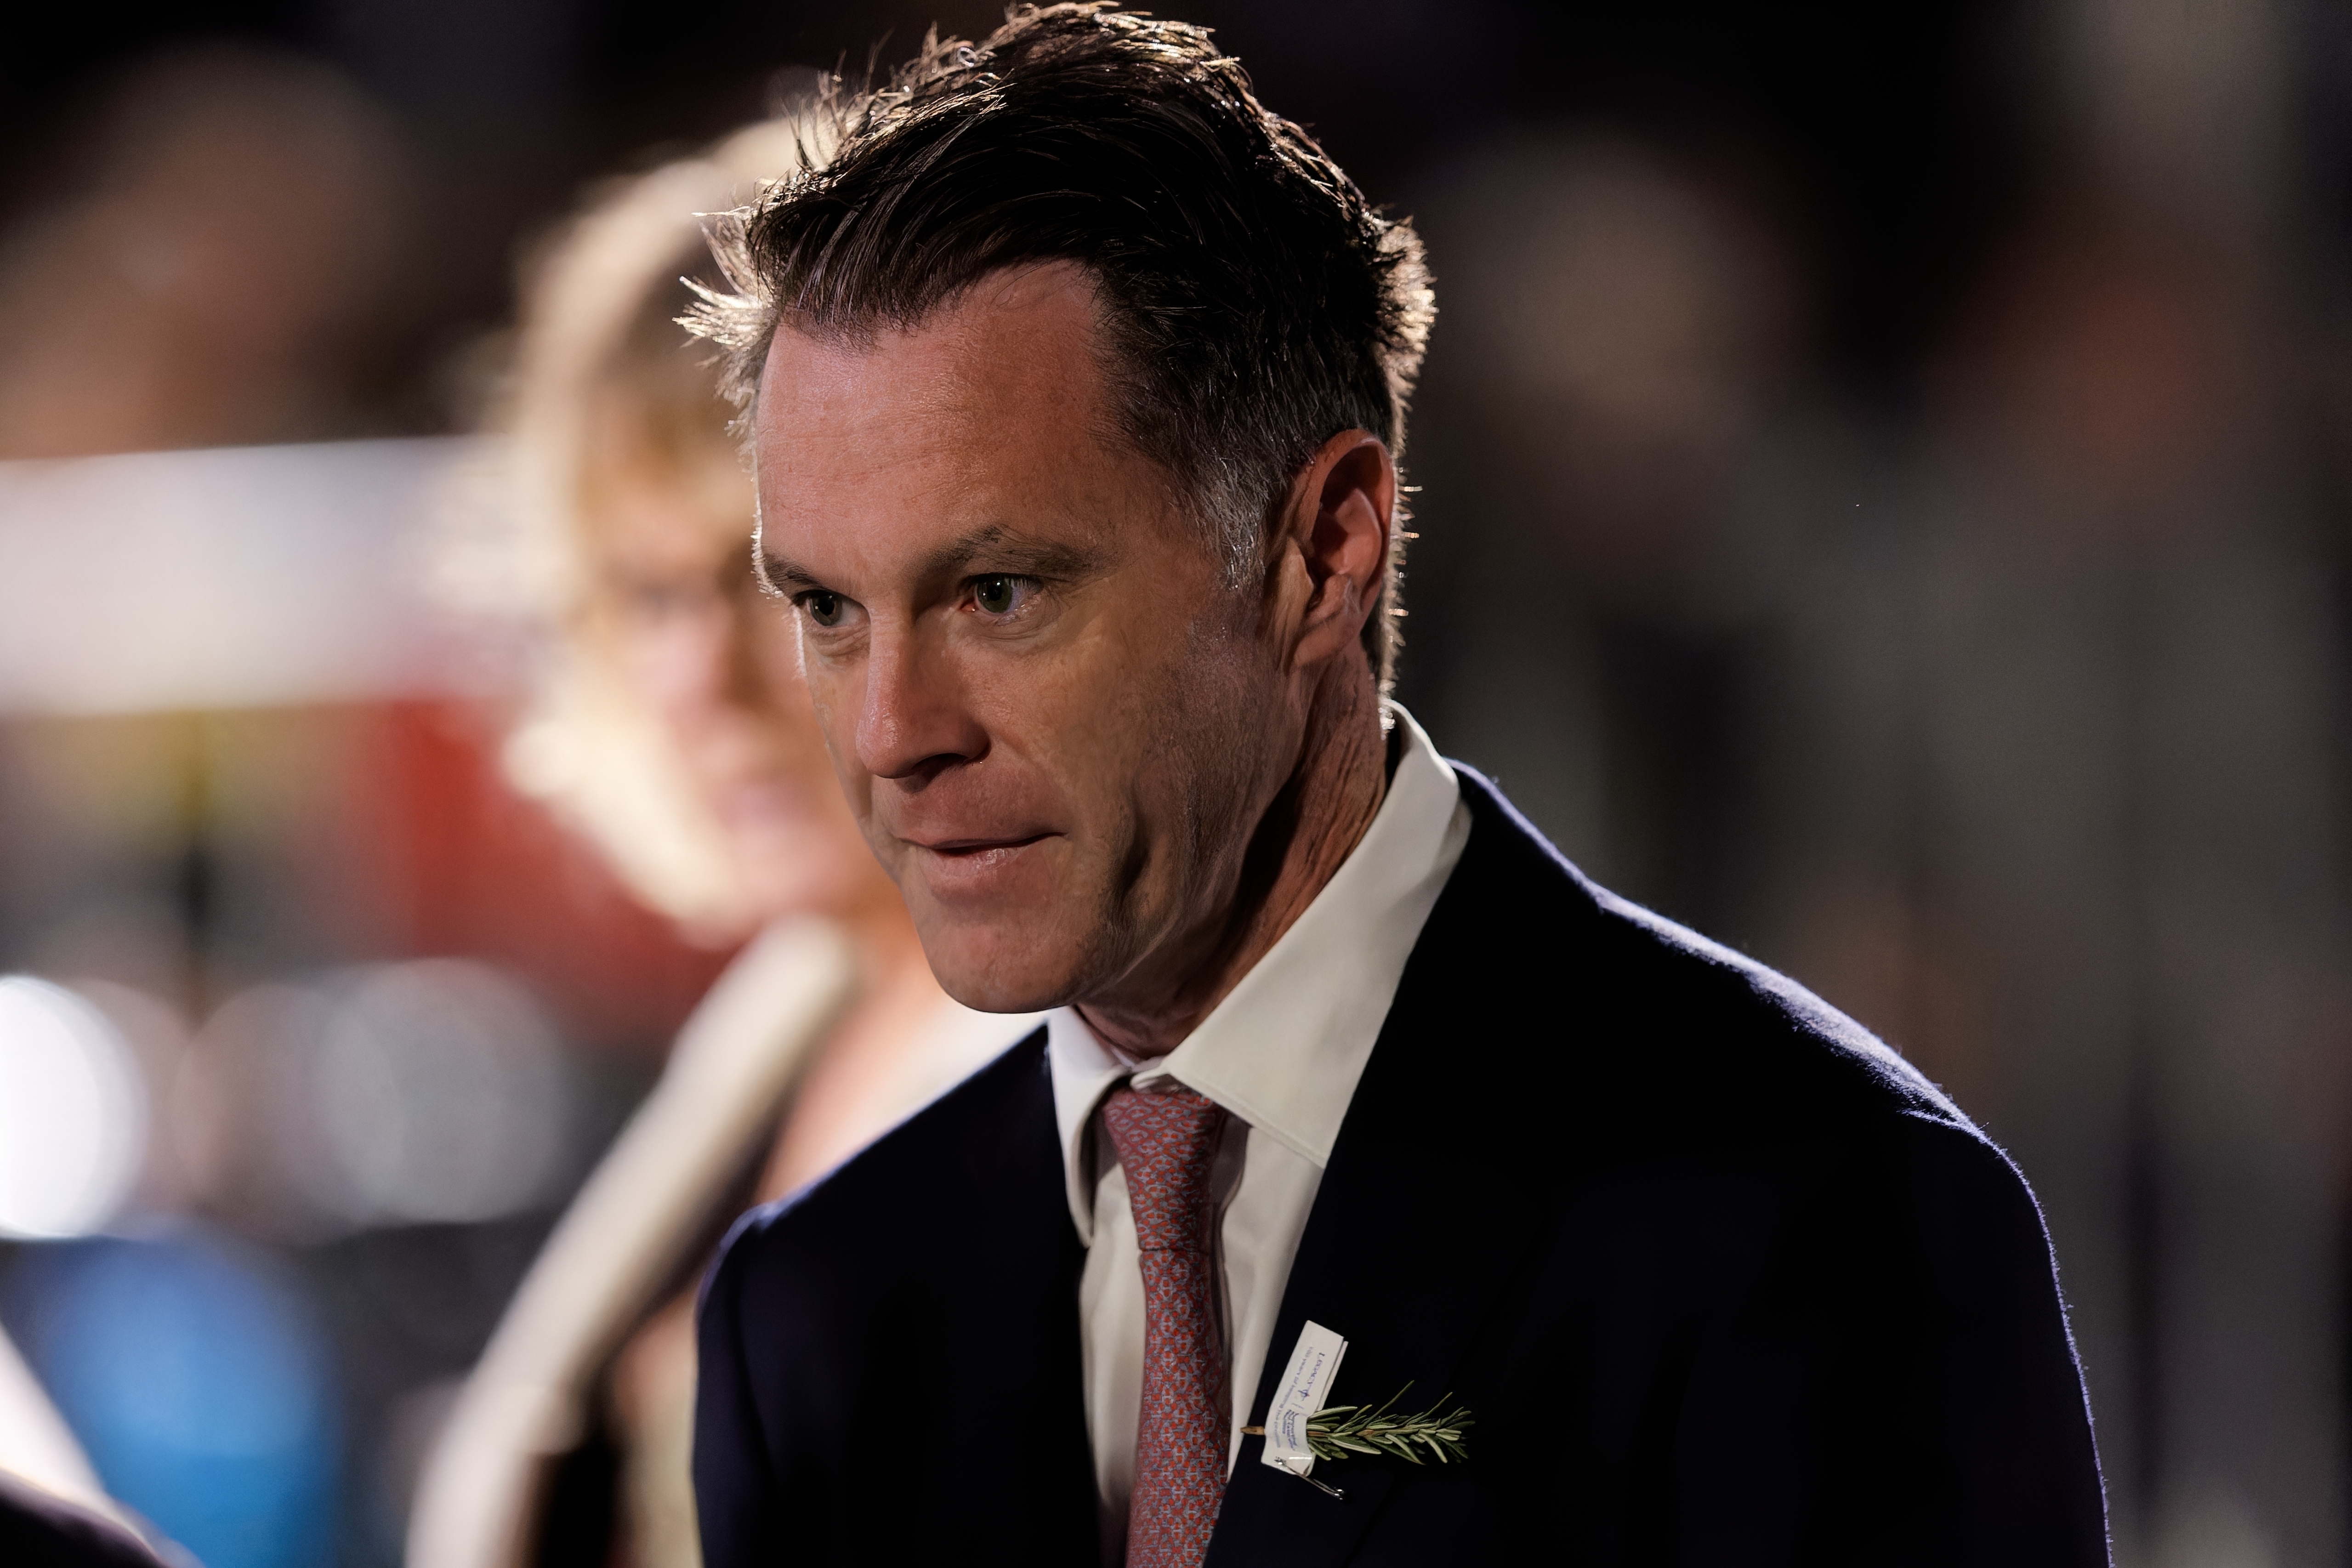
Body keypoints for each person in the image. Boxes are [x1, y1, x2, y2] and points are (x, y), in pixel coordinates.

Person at [685, 8, 2110, 1565]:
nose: (894, 730)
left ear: (1325, 552)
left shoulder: (1821, 1221)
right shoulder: (812, 1317)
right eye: (827, 607)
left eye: (1000, 592)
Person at [406, 115, 1033, 1568]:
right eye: (642, 595)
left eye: (767, 579)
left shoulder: (1101, 1058)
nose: (698, 677)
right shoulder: (804, 1002)